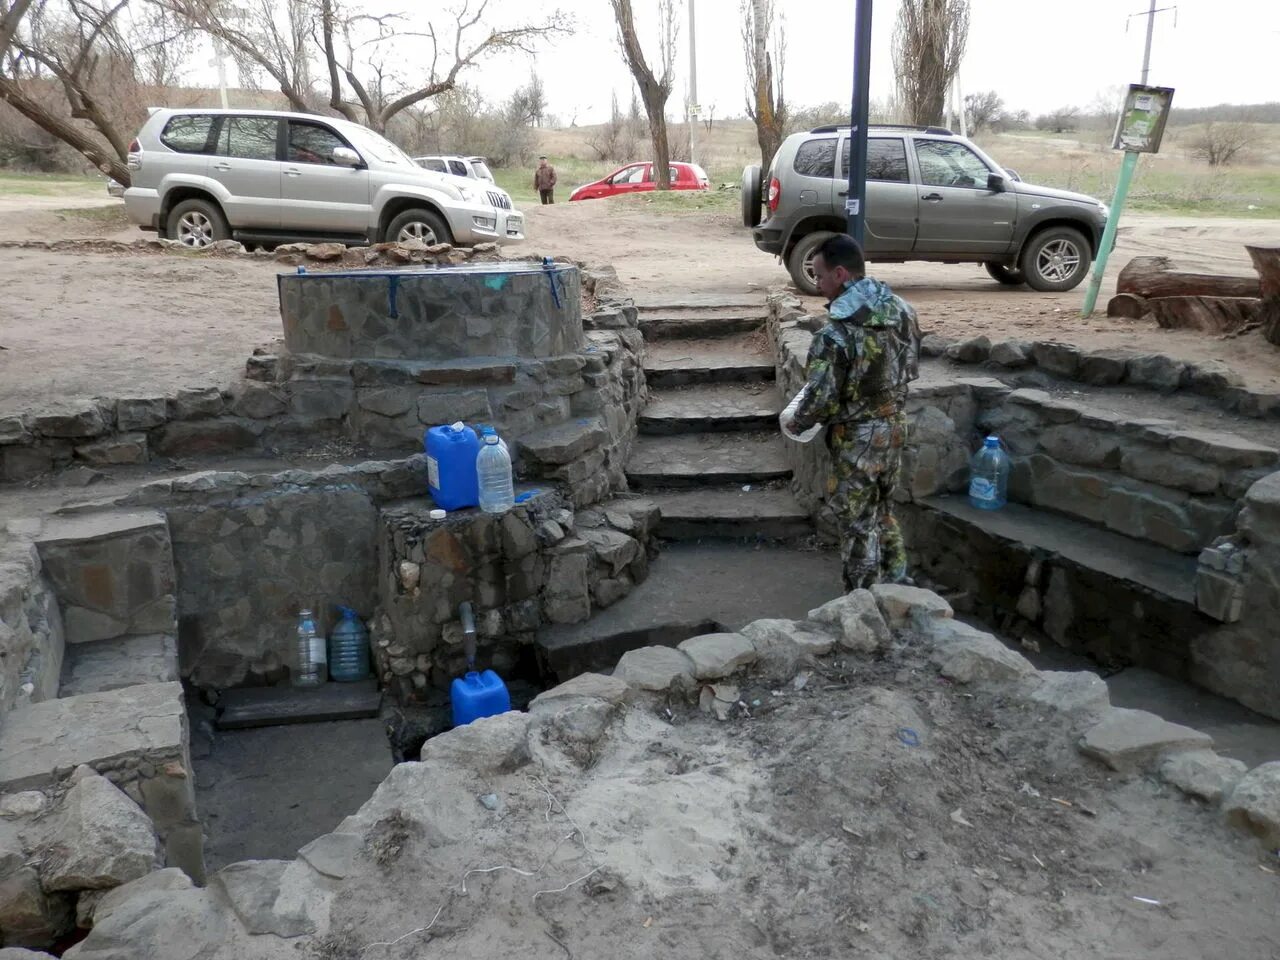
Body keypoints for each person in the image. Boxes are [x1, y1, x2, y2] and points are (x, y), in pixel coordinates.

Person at [788, 234, 921, 591]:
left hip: (857, 440)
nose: (817, 283)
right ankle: (898, 586)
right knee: (883, 511)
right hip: (895, 427)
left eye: (819, 275)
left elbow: (822, 401)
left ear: (842, 274)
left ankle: (863, 604)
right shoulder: (905, 311)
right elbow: (910, 367)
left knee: (858, 524)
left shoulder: (834, 335)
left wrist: (796, 421)